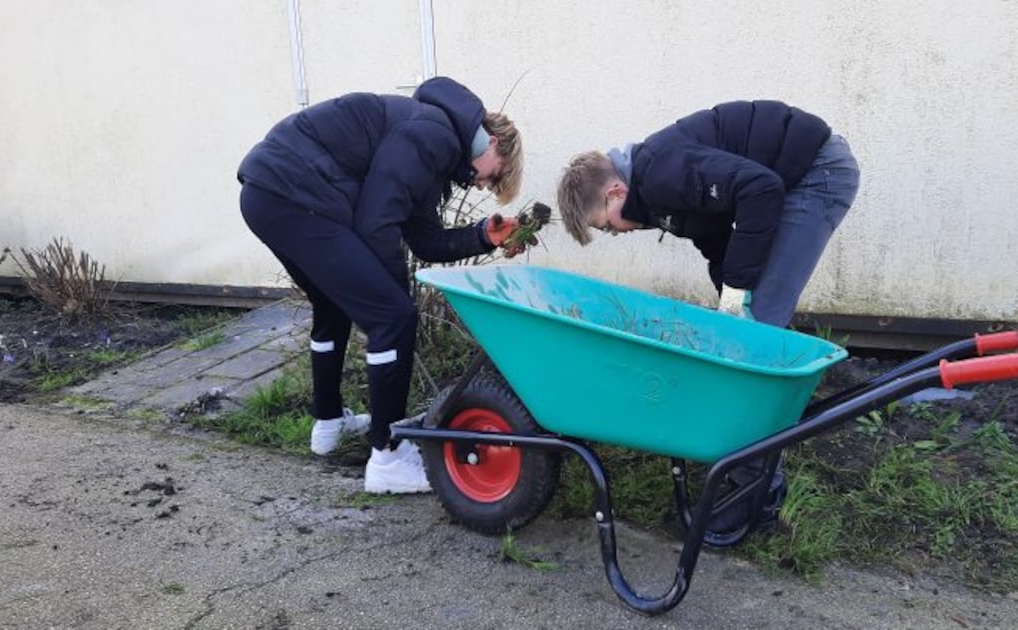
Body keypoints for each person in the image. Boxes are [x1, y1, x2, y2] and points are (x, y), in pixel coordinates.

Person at [555, 99, 860, 533]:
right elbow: (717, 236)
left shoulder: (661, 174)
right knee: (749, 324)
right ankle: (760, 447)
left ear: (614, 193)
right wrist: (730, 299)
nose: (616, 234)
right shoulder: (652, 194)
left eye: (606, 225)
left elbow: (761, 189)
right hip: (792, 176)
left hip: (815, 173)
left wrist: (739, 297)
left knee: (755, 338)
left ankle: (753, 494)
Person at [237, 76, 531, 494]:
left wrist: (485, 235)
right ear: (494, 145)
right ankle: (388, 459)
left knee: (332, 305)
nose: (483, 185)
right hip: (293, 193)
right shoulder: (434, 135)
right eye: (493, 177)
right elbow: (376, 224)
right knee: (392, 317)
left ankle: (329, 423)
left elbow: (424, 240)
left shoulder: (430, 138)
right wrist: (394, 305)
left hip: (269, 194)